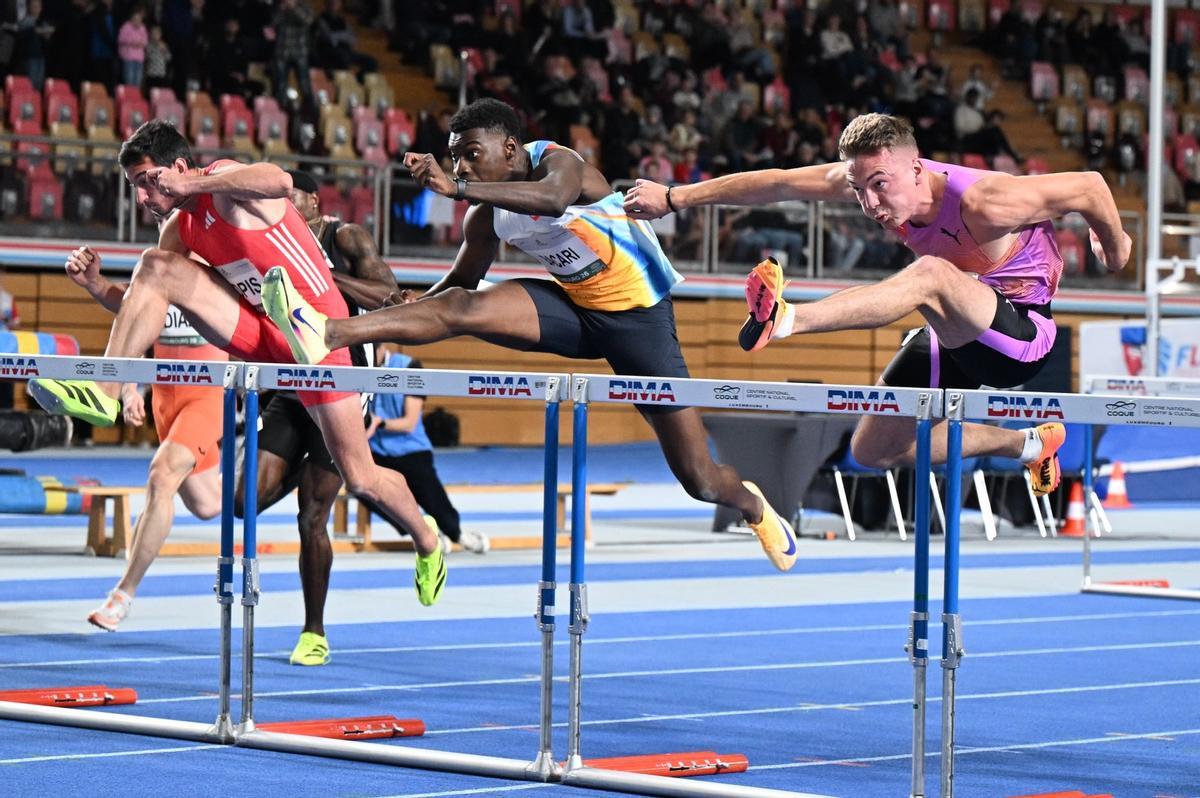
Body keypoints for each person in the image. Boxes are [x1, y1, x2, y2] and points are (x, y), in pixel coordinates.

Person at [258, 98, 801, 572]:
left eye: (471, 154)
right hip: (574, 312)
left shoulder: (560, 164)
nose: (461, 166)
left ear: (511, 148)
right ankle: (326, 331)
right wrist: (407, 307)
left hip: (640, 321)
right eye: (456, 159)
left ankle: (754, 507)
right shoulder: (485, 216)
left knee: (700, 480)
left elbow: (553, 200)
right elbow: (461, 285)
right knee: (461, 307)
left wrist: (458, 187)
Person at [26, 120, 447, 609]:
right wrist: (98, 287)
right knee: (155, 267)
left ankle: (427, 538)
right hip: (261, 334)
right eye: (134, 187)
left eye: (147, 182)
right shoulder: (179, 226)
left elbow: (280, 181)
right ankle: (104, 391)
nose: (141, 198)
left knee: (361, 477)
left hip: (319, 338)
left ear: (177, 168)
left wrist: (193, 184)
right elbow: (145, 302)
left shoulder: (226, 185)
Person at [624, 112, 1133, 497]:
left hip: (1022, 337)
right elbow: (776, 181)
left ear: (917, 169)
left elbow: (1091, 187)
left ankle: (786, 319)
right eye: (858, 189)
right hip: (957, 332)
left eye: (879, 188)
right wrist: (674, 198)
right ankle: (1027, 444)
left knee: (932, 274)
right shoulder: (871, 179)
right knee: (874, 450)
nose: (869, 205)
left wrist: (1114, 250)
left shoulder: (987, 201)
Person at [239, 170, 479, 666]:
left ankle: (314, 633)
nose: (281, 206)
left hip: (343, 383)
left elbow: (389, 296)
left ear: (313, 201)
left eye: (288, 197)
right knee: (243, 502)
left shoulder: (345, 236)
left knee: (312, 516)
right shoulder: (271, 241)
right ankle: (317, 465)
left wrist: (322, 279)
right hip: (291, 384)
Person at [63, 246, 227, 631]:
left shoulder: (219, 256)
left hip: (205, 399)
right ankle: (264, 470)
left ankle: (122, 595)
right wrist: (130, 387)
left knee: (161, 475)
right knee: (208, 504)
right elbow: (134, 312)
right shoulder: (162, 259)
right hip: (165, 401)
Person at [367, 344, 488, 556]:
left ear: (382, 347)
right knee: (361, 485)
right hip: (376, 452)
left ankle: (458, 534)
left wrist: (378, 423)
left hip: (411, 450)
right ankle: (420, 529)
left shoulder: (410, 368)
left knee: (433, 499)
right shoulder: (359, 368)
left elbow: (409, 423)